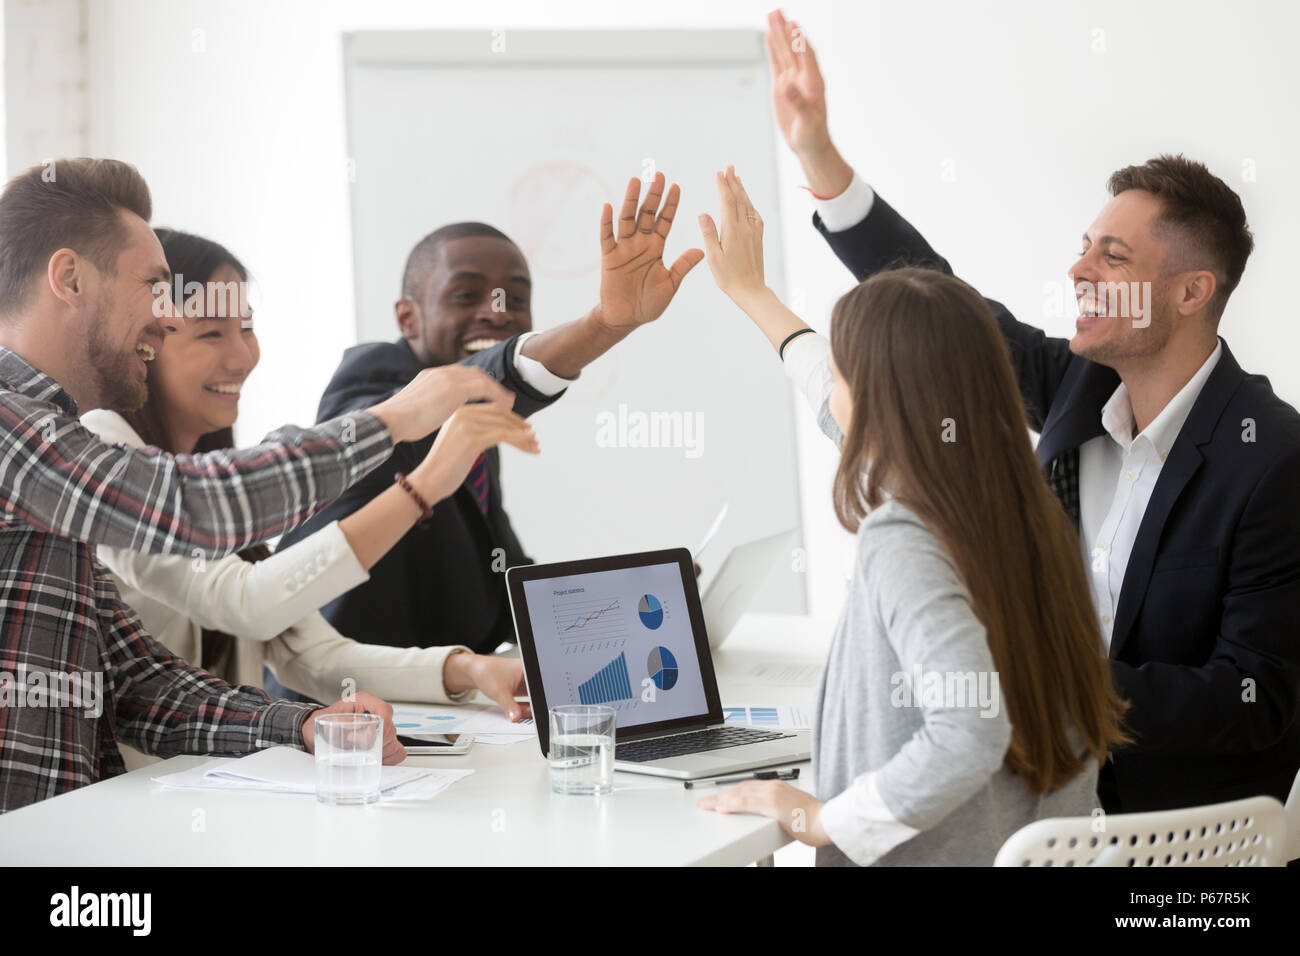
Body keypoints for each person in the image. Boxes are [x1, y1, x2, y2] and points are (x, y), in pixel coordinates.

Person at [760, 9, 1300, 814]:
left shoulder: (1272, 457)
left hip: (1175, 842)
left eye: (1111, 256)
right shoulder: (1081, 385)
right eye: (1085, 244)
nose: (1077, 268)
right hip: (1034, 807)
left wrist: (1057, 685)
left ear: (1193, 292)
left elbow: (1256, 695)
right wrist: (817, 155)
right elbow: (940, 303)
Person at [0, 158, 511, 813]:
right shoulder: (18, 430)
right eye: (154, 288)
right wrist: (392, 421)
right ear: (70, 278)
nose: (165, 319)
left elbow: (136, 683)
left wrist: (299, 725)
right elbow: (190, 508)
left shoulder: (57, 453)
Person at [694, 168, 1128, 866]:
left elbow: (968, 731)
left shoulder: (905, 535)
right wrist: (753, 294)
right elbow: (825, 392)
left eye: (842, 375)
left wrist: (821, 818)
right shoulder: (1027, 505)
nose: (830, 388)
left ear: (876, 400)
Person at [80, 229, 539, 769]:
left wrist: (473, 670)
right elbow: (246, 601)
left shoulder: (213, 478)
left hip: (217, 795)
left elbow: (313, 655)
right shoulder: (100, 443)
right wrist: (426, 483)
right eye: (210, 335)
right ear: (146, 343)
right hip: (123, 810)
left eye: (246, 329)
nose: (241, 356)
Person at [275, 171, 704, 674]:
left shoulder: (479, 421)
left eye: (515, 299)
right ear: (407, 318)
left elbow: (507, 592)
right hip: (347, 714)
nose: (497, 313)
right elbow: (446, 396)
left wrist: (638, 597)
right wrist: (603, 325)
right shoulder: (372, 388)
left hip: (448, 708)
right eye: (466, 296)